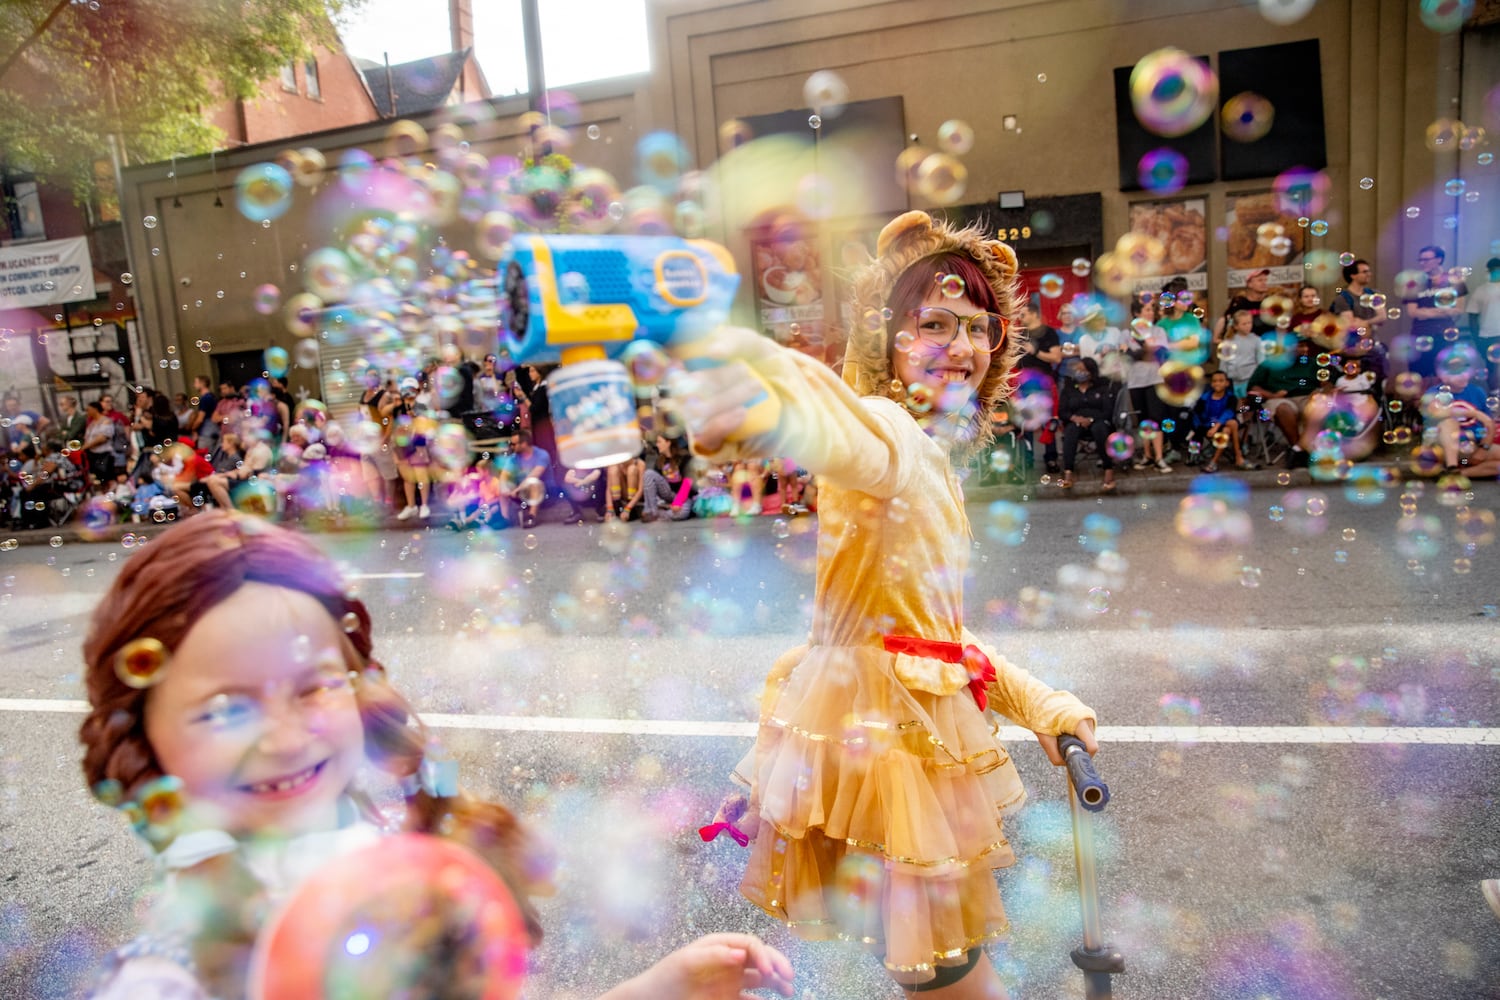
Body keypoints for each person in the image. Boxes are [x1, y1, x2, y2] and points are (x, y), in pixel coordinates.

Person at [78, 511, 795, 1000]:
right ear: (142, 734)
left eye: (315, 686)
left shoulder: (384, 856)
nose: (286, 735)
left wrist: (654, 988)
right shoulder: (166, 978)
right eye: (227, 707)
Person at [670, 211, 1099, 996]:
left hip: (900, 739)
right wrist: (763, 391)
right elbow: (842, 425)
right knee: (954, 979)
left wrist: (1042, 702)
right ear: (886, 341)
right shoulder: (895, 435)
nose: (962, 347)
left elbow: (938, 638)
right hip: (890, 758)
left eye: (977, 327)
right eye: (932, 324)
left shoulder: (930, 452)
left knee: (948, 974)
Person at [1401, 245, 1469, 380]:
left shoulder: (1454, 281)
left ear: (1439, 259)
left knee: (1445, 375)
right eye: (1420, 260)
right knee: (1420, 376)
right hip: (1420, 335)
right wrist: (1443, 311)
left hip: (1445, 335)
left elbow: (1458, 310)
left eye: (1426, 260)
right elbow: (1413, 312)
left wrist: (1426, 312)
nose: (1422, 263)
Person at [1124, 296, 1171, 473]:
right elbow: (1128, 356)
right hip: (1136, 381)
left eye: (1152, 309)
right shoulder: (1126, 334)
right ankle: (1147, 455)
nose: (1151, 313)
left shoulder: (1158, 332)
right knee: (1143, 420)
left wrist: (1142, 350)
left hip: (1155, 379)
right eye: (1147, 310)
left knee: (1156, 418)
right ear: (1137, 313)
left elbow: (1161, 353)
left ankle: (1159, 457)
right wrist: (1145, 351)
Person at [1057, 357, 1117, 491]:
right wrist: (1074, 418)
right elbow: (1062, 411)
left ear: (1091, 372)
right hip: (1076, 422)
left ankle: (1108, 470)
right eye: (1077, 370)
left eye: (1083, 370)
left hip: (1098, 421)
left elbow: (1107, 411)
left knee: (1100, 429)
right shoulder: (1069, 389)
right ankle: (1068, 472)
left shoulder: (1102, 388)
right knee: (1070, 432)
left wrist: (1091, 419)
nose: (1079, 373)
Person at [1193, 371, 1252, 472]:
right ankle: (1239, 457)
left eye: (1221, 381)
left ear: (1227, 383)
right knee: (1229, 429)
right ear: (1211, 384)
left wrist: (1215, 427)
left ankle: (1214, 462)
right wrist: (1199, 427)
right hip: (1209, 424)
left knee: (1229, 425)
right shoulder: (1205, 398)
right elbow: (1196, 414)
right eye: (1215, 381)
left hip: (1223, 423)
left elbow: (1228, 413)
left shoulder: (1231, 398)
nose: (1217, 383)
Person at [1213, 267, 1274, 340]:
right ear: (1250, 284)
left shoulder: (1271, 302)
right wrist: (1217, 338)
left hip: (1268, 343)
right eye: (1260, 280)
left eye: (1265, 280)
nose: (1264, 283)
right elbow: (1226, 319)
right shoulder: (1240, 302)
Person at [1467, 256, 1500, 388]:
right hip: (1487, 335)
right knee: (1491, 368)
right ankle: (1493, 396)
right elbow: (1472, 316)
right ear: (1488, 271)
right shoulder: (1481, 290)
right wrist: (1476, 338)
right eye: (1493, 270)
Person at [1216, 309, 1262, 398]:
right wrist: (1222, 379)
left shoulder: (1256, 340)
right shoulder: (1228, 341)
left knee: (1247, 403)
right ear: (1236, 326)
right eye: (1244, 324)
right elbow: (1224, 362)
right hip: (1233, 380)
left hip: (1250, 379)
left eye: (1250, 323)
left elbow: (1260, 360)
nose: (1248, 326)